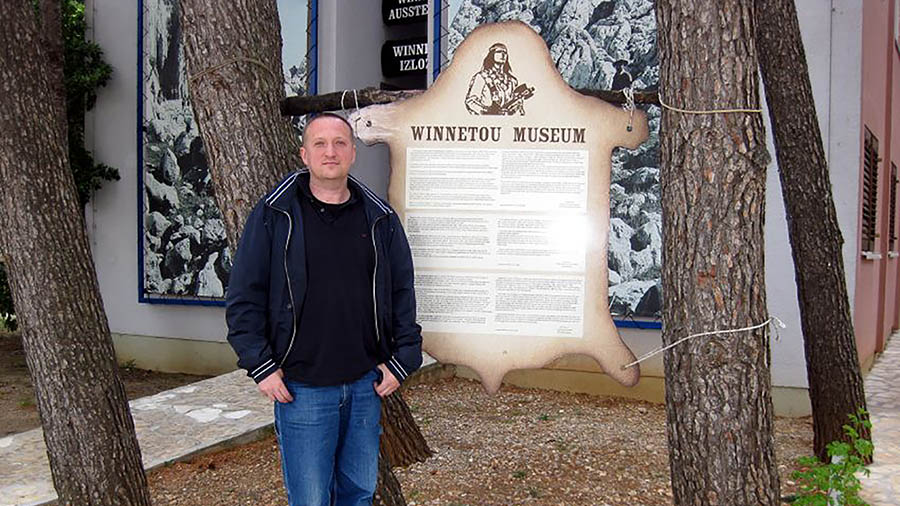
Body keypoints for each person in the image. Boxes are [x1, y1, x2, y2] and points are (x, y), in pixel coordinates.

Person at [225, 112, 423, 506]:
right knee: (311, 499)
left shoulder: (380, 219)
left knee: (359, 493)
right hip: (301, 388)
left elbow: (401, 292)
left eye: (339, 143)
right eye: (319, 143)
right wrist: (261, 367)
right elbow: (243, 297)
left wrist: (403, 359)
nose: (330, 152)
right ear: (304, 154)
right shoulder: (274, 216)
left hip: (365, 385)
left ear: (353, 153)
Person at [464, 42, 532, 115]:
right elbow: (470, 101)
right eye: (499, 52)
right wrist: (487, 112)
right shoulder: (481, 77)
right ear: (492, 55)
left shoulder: (512, 81)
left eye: (505, 53)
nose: (502, 55)